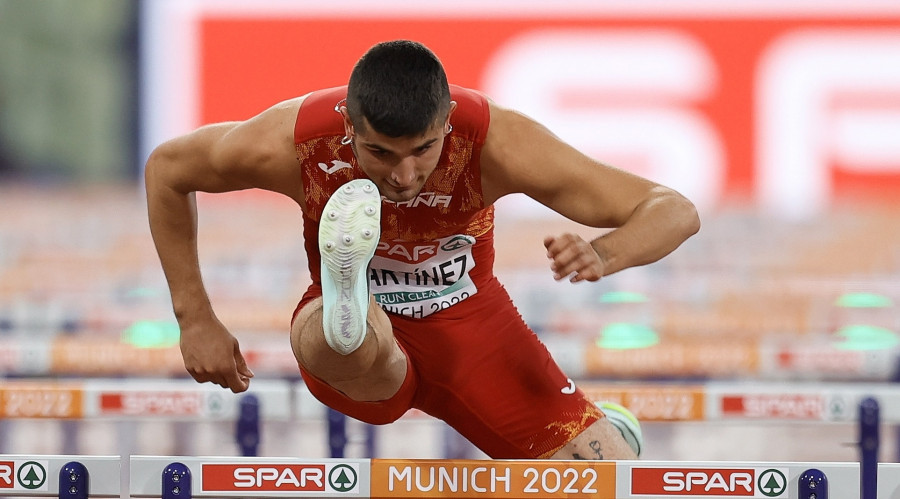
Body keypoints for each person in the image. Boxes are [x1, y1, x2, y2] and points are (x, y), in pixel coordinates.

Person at [145, 40, 700, 460]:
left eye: (424, 149)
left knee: (613, 480)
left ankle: (611, 428)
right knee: (357, 344)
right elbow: (168, 169)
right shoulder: (296, 141)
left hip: (477, 334)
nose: (404, 175)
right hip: (367, 344)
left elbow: (673, 208)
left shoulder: (495, 141)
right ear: (349, 124)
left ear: (447, 122)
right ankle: (350, 305)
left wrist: (607, 252)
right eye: (380, 153)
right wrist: (194, 317)